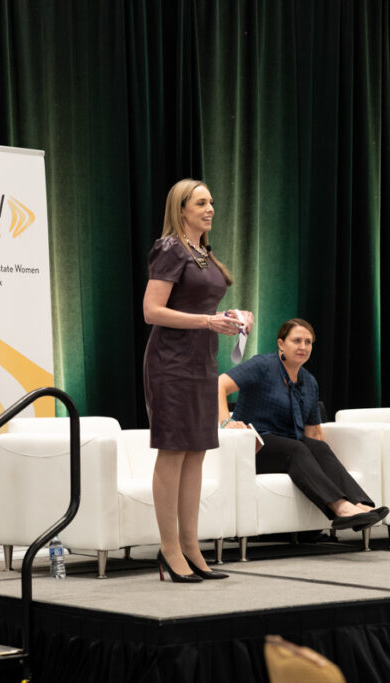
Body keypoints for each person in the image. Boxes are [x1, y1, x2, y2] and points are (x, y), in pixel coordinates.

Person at [143, 178, 255, 583]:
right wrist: (208, 321)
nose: (210, 209)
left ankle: (191, 546)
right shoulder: (171, 248)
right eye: (201, 203)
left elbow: (203, 306)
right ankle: (168, 548)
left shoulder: (203, 253)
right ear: (182, 209)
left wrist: (234, 316)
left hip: (201, 362)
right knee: (173, 452)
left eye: (212, 202)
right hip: (171, 363)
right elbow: (152, 310)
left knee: (197, 453)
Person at [218, 319, 389, 532]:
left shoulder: (309, 381)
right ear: (281, 343)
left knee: (318, 447)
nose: (303, 347)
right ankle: (340, 508)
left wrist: (317, 464)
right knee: (296, 448)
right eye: (296, 340)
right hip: (253, 447)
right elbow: (219, 384)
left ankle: (359, 504)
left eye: (308, 342)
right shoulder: (262, 365)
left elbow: (313, 432)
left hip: (288, 447)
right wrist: (226, 422)